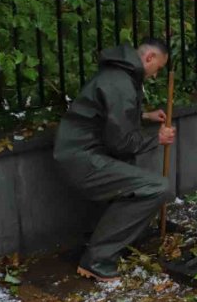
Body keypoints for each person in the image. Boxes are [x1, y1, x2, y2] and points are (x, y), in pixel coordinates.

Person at [53, 39, 175, 282]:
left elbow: (109, 117)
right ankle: (97, 259)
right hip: (84, 160)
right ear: (149, 58)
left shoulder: (118, 74)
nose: (155, 75)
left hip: (81, 154)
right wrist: (157, 138)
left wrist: (144, 116)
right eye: (158, 68)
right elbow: (121, 143)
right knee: (156, 187)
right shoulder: (121, 83)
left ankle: (111, 240)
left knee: (134, 177)